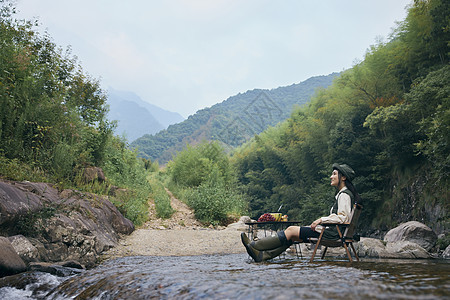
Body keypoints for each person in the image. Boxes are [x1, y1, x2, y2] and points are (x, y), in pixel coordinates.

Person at [241, 163, 361, 262]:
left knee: (291, 230)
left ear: (343, 177)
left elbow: (343, 218)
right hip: (333, 232)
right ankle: (263, 256)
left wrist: (321, 220)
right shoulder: (343, 194)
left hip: (332, 234)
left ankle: (255, 246)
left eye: (334, 174)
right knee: (293, 236)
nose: (331, 176)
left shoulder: (344, 195)